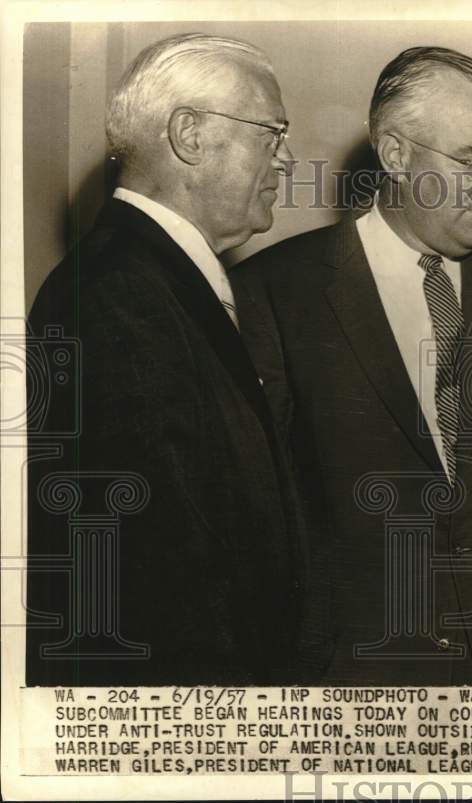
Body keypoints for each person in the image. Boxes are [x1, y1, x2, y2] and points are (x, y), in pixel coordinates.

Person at [233, 46, 472, 685]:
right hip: (361, 675)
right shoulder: (273, 292)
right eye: (470, 161)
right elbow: (260, 514)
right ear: (396, 155)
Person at [26, 33, 303, 685]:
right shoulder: (118, 294)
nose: (288, 160)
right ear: (190, 135)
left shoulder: (151, 277)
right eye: (272, 134)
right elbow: (164, 576)